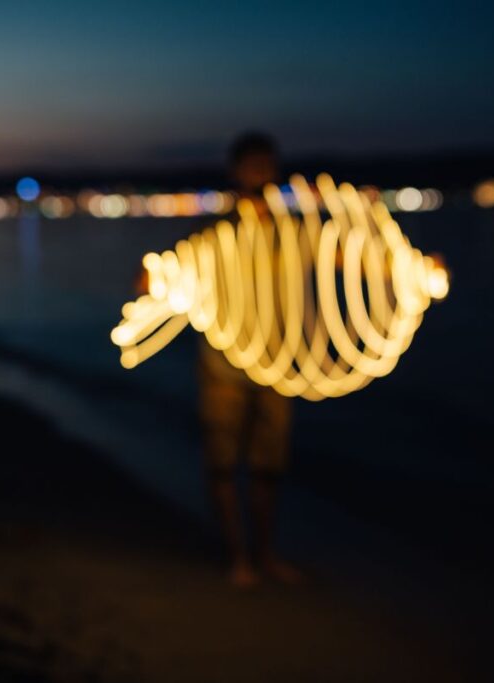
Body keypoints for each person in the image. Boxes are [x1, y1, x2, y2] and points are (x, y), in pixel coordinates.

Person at [198, 132, 301, 588]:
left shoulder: (292, 233)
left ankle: (264, 555)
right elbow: (162, 274)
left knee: (268, 468)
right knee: (223, 463)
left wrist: (411, 267)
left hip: (277, 365)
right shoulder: (213, 235)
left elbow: (347, 257)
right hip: (222, 368)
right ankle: (237, 558)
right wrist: (155, 279)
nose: (260, 174)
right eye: (251, 165)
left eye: (266, 165)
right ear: (235, 171)